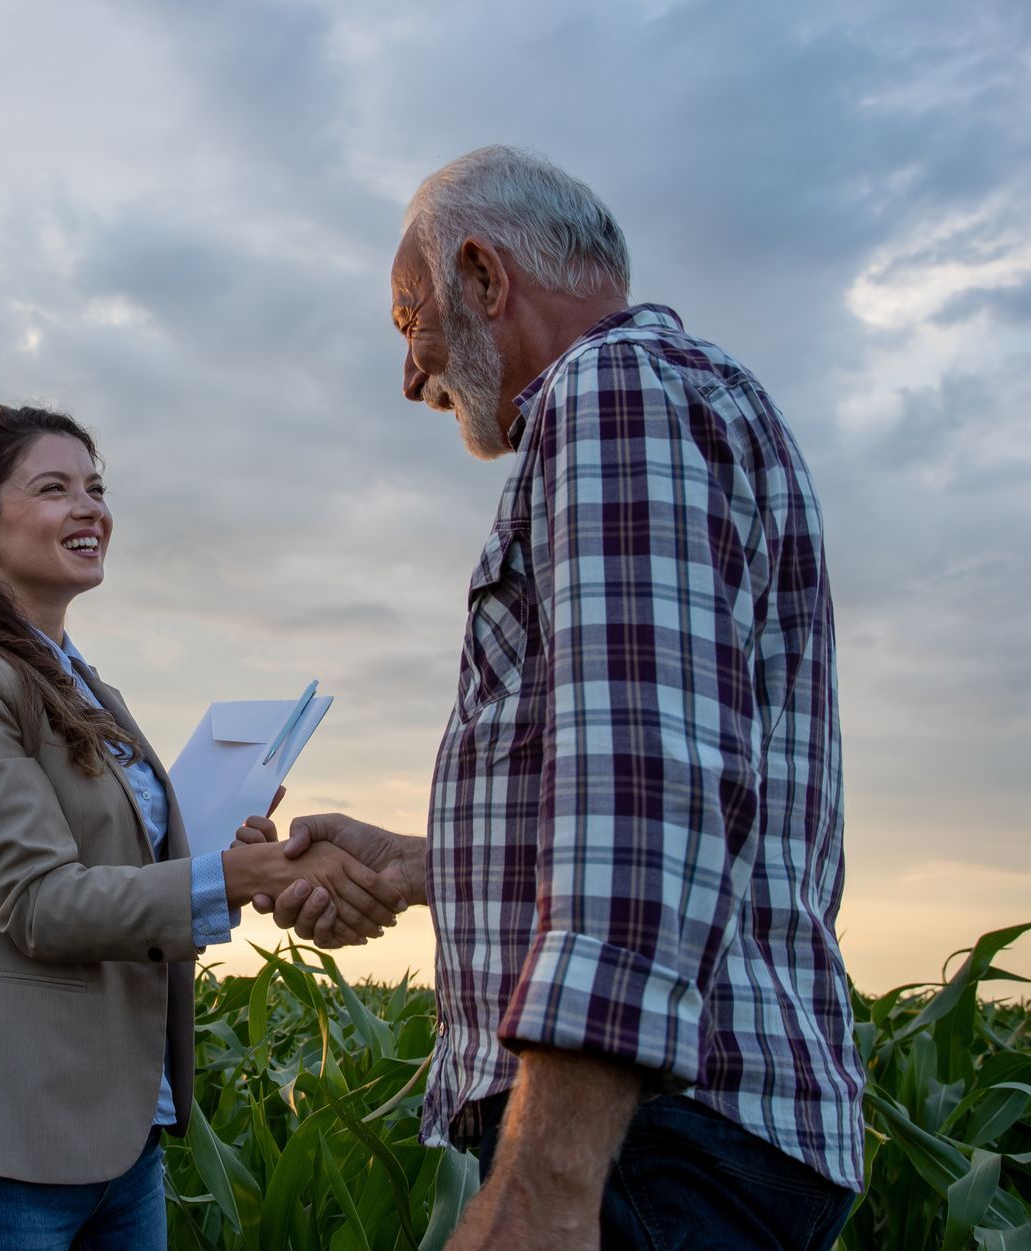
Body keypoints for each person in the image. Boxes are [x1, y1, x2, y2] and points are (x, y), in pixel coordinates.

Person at [259, 147, 865, 1250]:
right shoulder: (679, 399)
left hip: (650, 1141)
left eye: (411, 320)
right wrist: (415, 863)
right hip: (676, 1135)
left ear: (486, 278)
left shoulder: (613, 391)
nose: (411, 374)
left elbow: (646, 790)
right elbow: (680, 781)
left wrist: (544, 1186)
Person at [0, 403, 397, 1250]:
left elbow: (134, 883)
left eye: (96, 486)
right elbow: (43, 904)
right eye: (53, 488)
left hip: (123, 1145)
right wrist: (234, 879)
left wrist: (236, 858)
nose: (89, 507)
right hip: (0, 1143)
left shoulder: (96, 695)